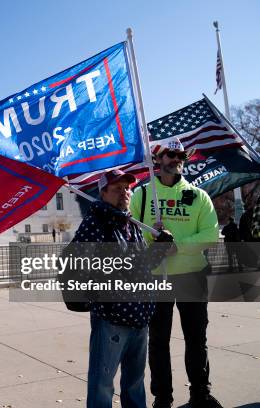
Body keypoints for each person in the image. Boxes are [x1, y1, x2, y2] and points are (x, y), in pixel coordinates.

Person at [130, 138, 222, 408]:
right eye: (171, 154)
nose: (177, 159)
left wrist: (177, 247)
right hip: (156, 278)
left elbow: (210, 234)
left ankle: (200, 394)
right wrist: (154, 248)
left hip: (192, 276)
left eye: (181, 155)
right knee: (158, 341)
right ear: (158, 160)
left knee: (196, 338)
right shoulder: (143, 194)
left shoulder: (197, 195)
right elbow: (131, 235)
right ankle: (162, 398)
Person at [71, 169, 174, 408]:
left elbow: (141, 267)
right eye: (117, 188)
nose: (124, 192)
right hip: (112, 319)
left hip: (139, 317)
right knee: (102, 384)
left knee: (135, 384)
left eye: (127, 188)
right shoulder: (96, 222)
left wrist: (159, 249)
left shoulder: (130, 223)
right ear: (103, 192)